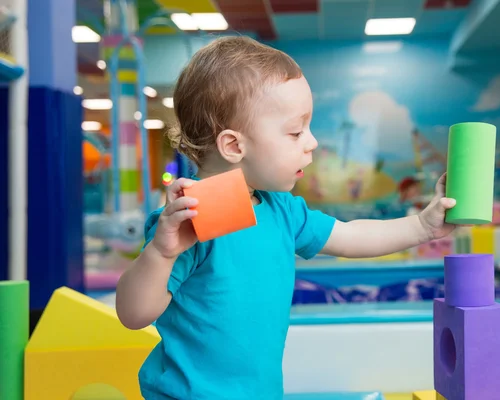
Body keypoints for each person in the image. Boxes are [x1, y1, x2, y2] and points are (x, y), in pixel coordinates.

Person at [115, 35, 458, 400]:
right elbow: (134, 315)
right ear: (233, 146)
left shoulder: (281, 209)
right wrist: (161, 253)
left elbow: (351, 236)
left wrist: (422, 226)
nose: (311, 142)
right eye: (296, 131)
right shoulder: (188, 220)